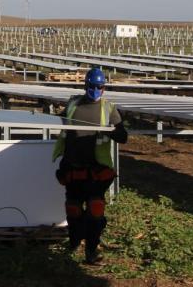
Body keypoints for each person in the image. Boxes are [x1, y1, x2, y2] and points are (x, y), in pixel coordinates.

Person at [52, 68, 128, 266]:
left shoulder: (109, 109)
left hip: (96, 171)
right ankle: (75, 241)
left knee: (95, 210)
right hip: (72, 167)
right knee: (74, 209)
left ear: (104, 88)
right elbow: (57, 122)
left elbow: (123, 136)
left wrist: (112, 131)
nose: (95, 90)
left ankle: (91, 251)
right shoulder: (73, 104)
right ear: (85, 85)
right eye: (92, 86)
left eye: (99, 87)